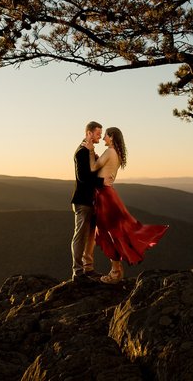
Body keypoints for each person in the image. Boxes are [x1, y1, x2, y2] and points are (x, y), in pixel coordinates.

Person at [84, 127, 169, 284]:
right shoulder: (116, 153)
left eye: (106, 136)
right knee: (114, 232)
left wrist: (90, 151)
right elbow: (102, 169)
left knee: (108, 233)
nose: (103, 139)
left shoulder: (110, 151)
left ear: (112, 137)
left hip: (104, 196)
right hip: (109, 194)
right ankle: (116, 270)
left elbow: (93, 168)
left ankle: (115, 272)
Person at [71, 121, 113, 282]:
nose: (100, 137)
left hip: (92, 201)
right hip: (83, 201)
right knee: (80, 236)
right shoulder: (81, 152)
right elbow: (83, 178)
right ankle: (78, 272)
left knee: (90, 237)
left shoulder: (89, 151)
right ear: (88, 133)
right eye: (97, 134)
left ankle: (88, 269)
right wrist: (102, 183)